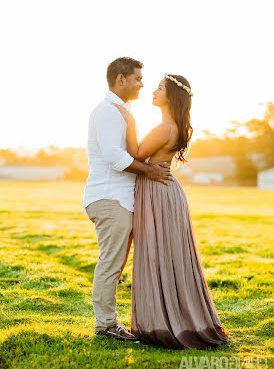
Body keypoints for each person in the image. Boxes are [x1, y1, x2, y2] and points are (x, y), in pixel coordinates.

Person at [112, 73, 231, 349]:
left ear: (171, 96)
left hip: (158, 192)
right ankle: (174, 315)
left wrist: (128, 119)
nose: (153, 91)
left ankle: (163, 322)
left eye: (160, 88)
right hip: (165, 191)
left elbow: (134, 155)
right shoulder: (173, 125)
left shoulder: (165, 127)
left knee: (158, 251)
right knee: (168, 252)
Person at [83, 58, 173, 342]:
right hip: (109, 198)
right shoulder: (108, 111)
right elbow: (115, 156)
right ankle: (106, 324)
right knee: (111, 262)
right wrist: (150, 170)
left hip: (119, 199)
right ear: (120, 79)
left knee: (116, 263)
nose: (142, 84)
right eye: (137, 79)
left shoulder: (121, 110)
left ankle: (109, 322)